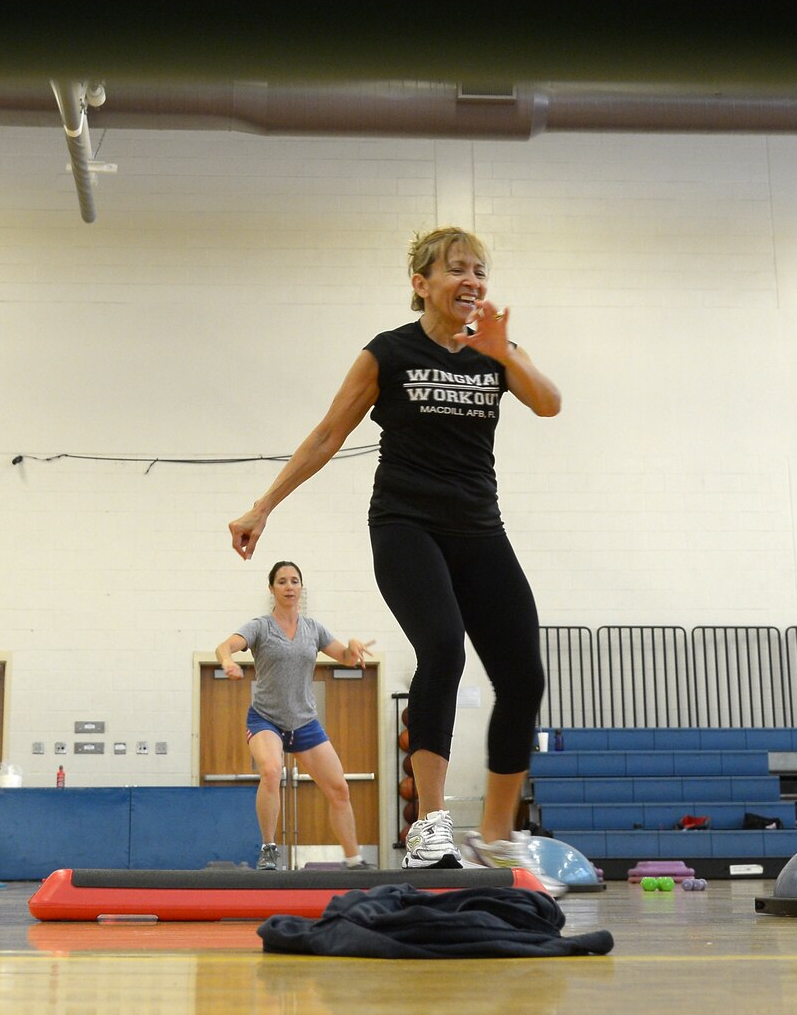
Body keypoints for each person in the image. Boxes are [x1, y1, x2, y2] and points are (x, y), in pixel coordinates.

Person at [229, 227, 565, 892]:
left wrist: (507, 353)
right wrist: (264, 504)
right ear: (421, 282)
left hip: (479, 528)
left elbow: (550, 403)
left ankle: (497, 836)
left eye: (481, 271)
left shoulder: (496, 350)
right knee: (443, 647)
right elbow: (328, 433)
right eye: (457, 270)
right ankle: (430, 829)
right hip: (406, 526)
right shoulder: (390, 351)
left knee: (524, 676)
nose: (472, 281)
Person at [215, 560, 375, 870]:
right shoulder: (260, 626)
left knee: (339, 788)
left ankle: (354, 859)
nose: (289, 586)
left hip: (304, 721)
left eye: (294, 581)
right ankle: (269, 848)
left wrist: (353, 648)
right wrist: (226, 662)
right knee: (272, 771)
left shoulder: (313, 629)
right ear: (272, 588)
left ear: (301, 588)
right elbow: (226, 646)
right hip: (266, 718)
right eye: (282, 581)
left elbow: (345, 657)